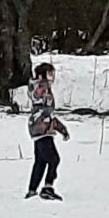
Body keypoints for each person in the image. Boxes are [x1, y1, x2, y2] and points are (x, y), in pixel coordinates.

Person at [27, 63, 69, 201]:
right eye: (50, 74)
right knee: (53, 159)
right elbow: (43, 109)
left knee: (41, 161)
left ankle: (32, 190)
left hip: (41, 129)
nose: (53, 77)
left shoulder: (43, 88)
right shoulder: (41, 87)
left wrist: (61, 128)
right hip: (42, 130)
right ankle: (47, 188)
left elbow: (48, 113)